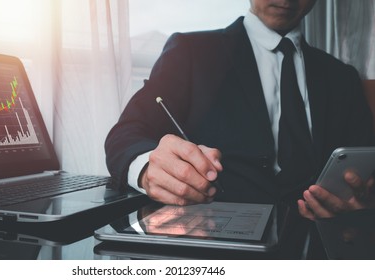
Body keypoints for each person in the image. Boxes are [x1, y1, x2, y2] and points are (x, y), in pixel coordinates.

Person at [105, 0, 375, 256]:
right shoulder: (190, 50)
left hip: (319, 252)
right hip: (214, 250)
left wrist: (364, 198)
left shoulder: (343, 77)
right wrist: (147, 168)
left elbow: (365, 164)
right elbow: (127, 132)